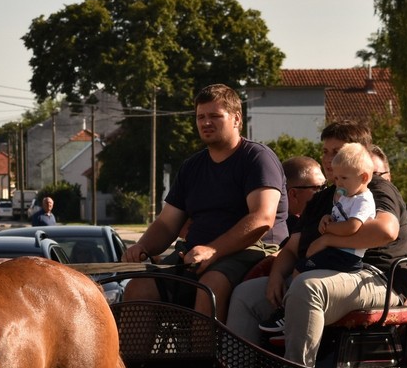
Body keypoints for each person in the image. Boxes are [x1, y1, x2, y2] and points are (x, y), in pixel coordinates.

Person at [226, 120, 407, 364]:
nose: (329, 159)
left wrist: (328, 240)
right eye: (325, 151)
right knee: (245, 295)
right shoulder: (321, 198)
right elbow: (292, 247)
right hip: (322, 271)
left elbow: (386, 230)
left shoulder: (375, 188)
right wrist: (276, 277)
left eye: (337, 152)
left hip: (374, 277)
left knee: (307, 286)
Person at [121, 85, 287, 320]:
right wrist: (142, 247)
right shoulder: (191, 167)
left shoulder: (257, 158)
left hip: (254, 250)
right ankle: (137, 359)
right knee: (139, 287)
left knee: (209, 286)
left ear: (236, 118)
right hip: (195, 253)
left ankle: (203, 357)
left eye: (215, 116)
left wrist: (213, 250)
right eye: (201, 117)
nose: (206, 122)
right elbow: (167, 224)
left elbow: (262, 218)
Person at [299, 142, 377, 274]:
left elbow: (351, 226)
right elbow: (339, 217)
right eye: (336, 177)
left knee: (303, 268)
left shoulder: (363, 200)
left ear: (364, 177)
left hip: (347, 256)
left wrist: (328, 228)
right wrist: (327, 218)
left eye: (344, 178)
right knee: (302, 266)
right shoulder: (347, 196)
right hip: (335, 250)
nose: (339, 182)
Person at [283, 156, 326, 235]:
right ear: (294, 194)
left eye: (326, 186)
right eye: (319, 188)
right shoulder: (294, 231)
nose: (326, 191)